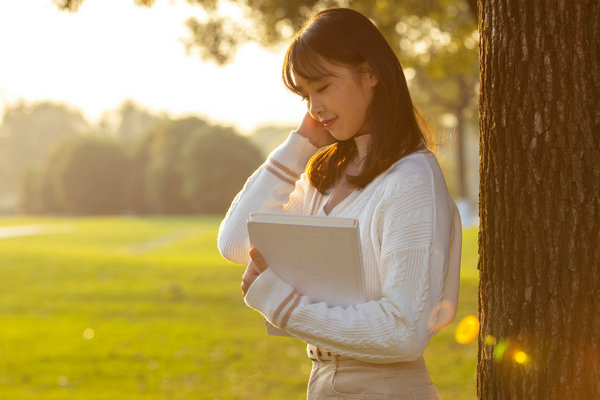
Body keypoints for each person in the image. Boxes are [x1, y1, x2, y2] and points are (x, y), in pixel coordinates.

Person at [217, 7, 462, 399]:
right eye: (305, 94)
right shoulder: (325, 178)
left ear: (371, 73)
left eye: (323, 87)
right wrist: (301, 145)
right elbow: (234, 243)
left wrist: (284, 306)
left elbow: (405, 333)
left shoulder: (412, 181)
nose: (314, 107)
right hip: (324, 383)